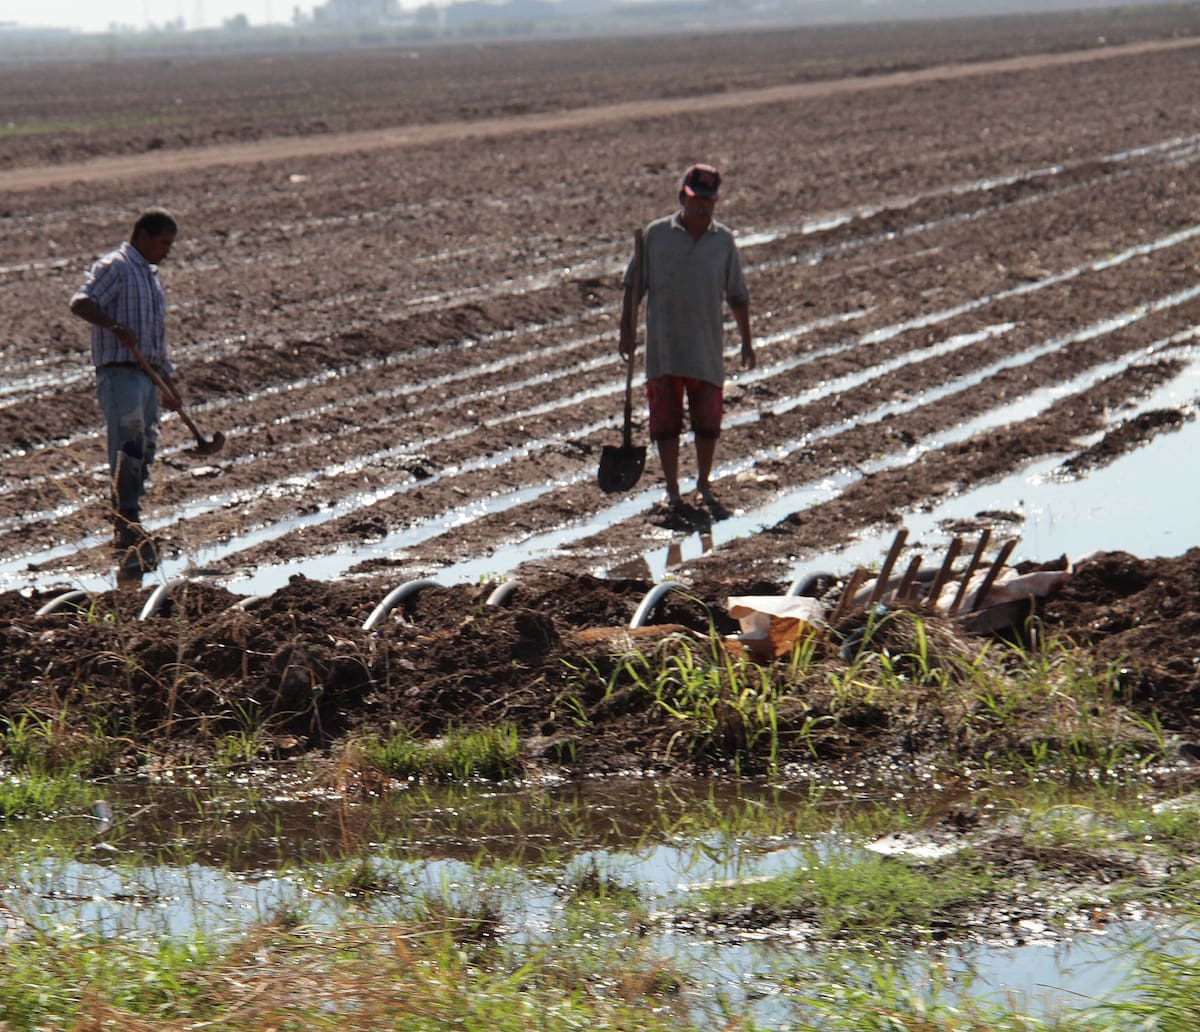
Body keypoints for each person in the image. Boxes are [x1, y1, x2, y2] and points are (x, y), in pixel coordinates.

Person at [619, 163, 754, 519]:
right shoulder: (656, 236)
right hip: (664, 349)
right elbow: (634, 287)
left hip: (705, 349)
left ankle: (704, 483)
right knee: (665, 423)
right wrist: (626, 331)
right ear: (682, 197)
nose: (702, 207)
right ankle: (673, 490)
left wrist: (747, 341)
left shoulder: (723, 241)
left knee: (707, 421)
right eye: (696, 200)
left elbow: (738, 295)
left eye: (709, 201)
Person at [70, 207, 183, 573]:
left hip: (148, 374)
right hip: (119, 371)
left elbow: (156, 338)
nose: (167, 251)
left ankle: (132, 512)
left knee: (146, 444)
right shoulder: (115, 267)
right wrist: (113, 325)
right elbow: (81, 301)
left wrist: (168, 380)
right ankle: (124, 521)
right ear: (144, 235)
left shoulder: (151, 278)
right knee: (129, 440)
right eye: (164, 243)